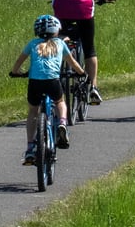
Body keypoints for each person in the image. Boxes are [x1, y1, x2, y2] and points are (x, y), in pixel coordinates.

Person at [10, 14, 86, 164]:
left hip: (35, 82)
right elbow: (73, 63)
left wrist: (15, 72)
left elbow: (19, 60)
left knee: (33, 111)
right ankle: (63, 123)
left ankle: (30, 148)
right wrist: (82, 73)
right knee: (60, 102)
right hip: (52, 81)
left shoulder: (33, 44)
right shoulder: (60, 44)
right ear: (56, 30)